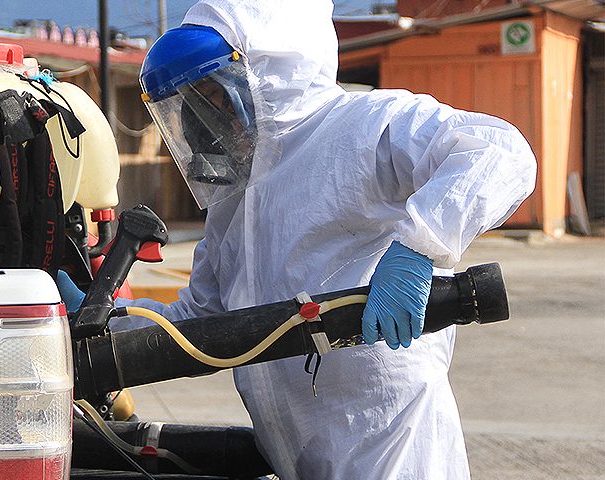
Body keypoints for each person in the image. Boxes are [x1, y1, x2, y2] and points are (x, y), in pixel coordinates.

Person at [56, 0, 537, 478]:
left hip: (392, 449)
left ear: (266, 71)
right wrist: (98, 321)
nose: (202, 120)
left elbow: (499, 151)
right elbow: (197, 326)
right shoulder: (235, 200)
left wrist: (419, 246)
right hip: (294, 456)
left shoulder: (363, 126)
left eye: (211, 94)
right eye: (189, 105)